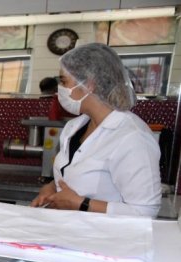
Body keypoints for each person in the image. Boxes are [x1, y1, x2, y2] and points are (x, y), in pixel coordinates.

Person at [31, 43, 161, 217]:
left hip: (104, 233)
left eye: (64, 81)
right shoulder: (74, 127)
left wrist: (82, 204)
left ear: (89, 84)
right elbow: (73, 175)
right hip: (69, 228)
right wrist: (52, 188)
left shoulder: (132, 137)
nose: (59, 89)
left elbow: (146, 212)